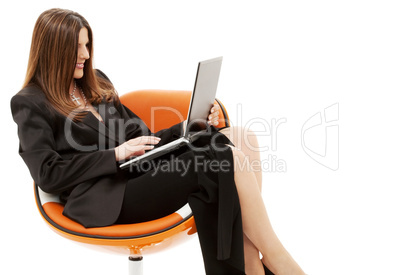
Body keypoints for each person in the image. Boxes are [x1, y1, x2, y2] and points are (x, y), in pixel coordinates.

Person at [11, 8, 305, 275]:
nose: (86, 54)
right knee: (218, 158)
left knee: (243, 138)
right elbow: (47, 174)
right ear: (52, 50)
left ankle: (250, 260)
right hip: (107, 197)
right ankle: (277, 260)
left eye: (87, 45)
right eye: (76, 47)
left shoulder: (96, 82)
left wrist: (192, 125)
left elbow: (140, 139)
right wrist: (114, 155)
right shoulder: (30, 103)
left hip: (140, 172)